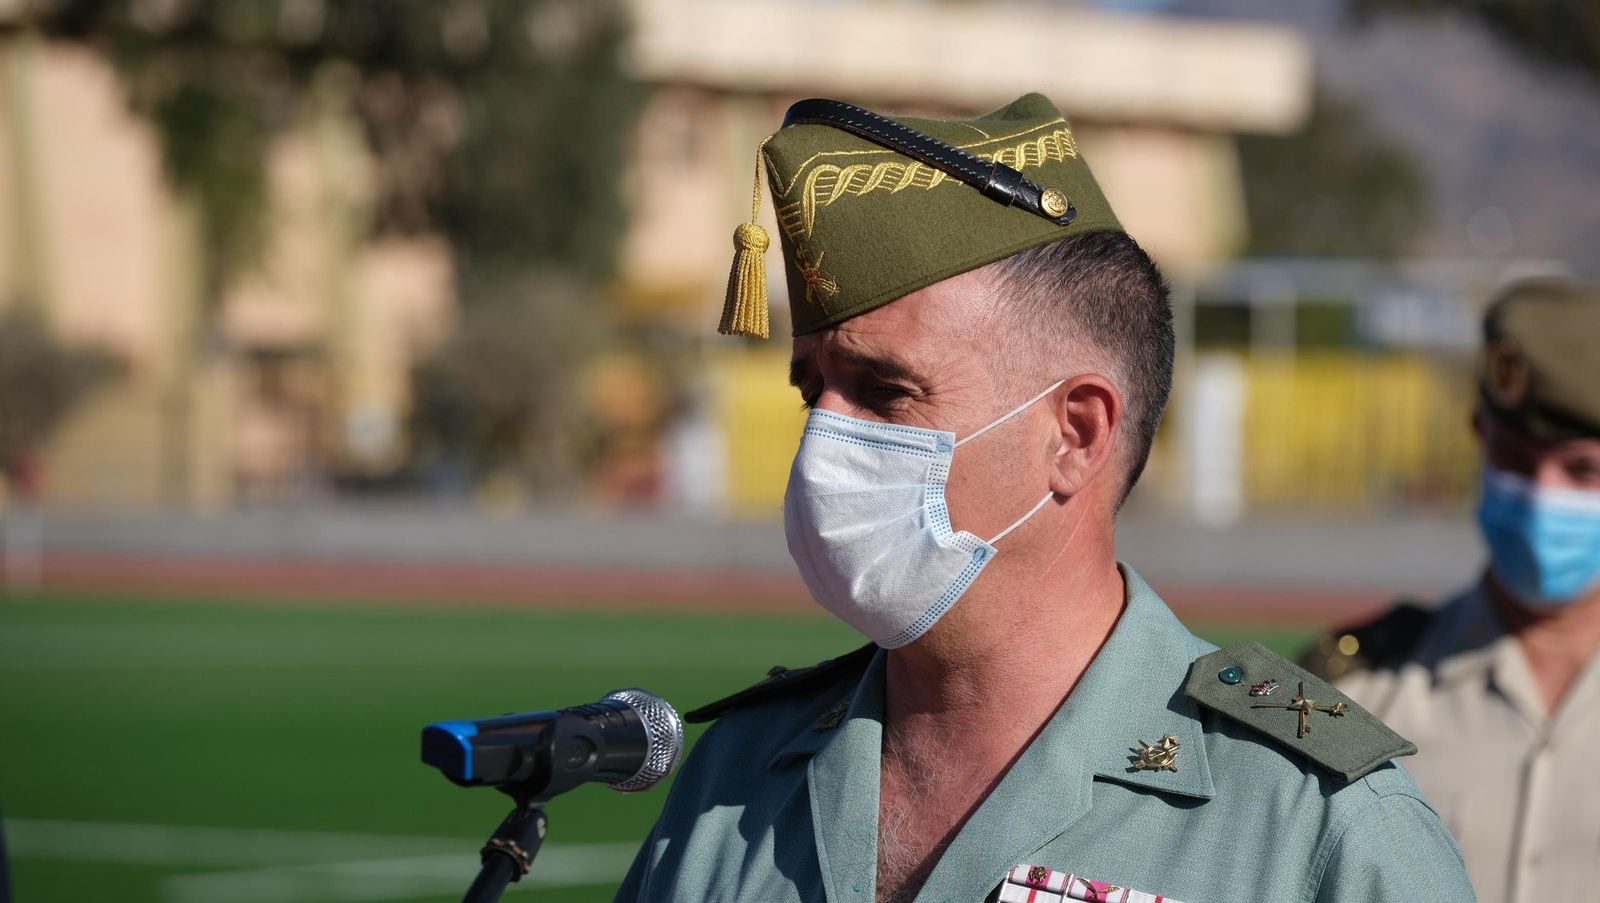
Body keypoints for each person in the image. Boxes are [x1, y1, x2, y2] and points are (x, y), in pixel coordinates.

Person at [616, 94, 1472, 903]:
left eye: (883, 392)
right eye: (814, 393)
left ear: (1076, 434)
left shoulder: (1311, 821)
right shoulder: (734, 775)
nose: (822, 440)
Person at [1302, 277, 1600, 903]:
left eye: (1582, 470)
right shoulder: (1355, 697)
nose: (1542, 494)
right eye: (1516, 461)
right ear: (1478, 439)